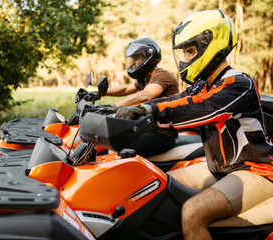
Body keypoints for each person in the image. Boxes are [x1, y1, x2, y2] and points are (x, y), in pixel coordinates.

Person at [115, 9, 273, 240]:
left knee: (192, 212)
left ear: (211, 44)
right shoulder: (203, 84)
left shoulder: (239, 82)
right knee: (157, 187)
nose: (186, 58)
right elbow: (176, 100)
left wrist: (151, 109)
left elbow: (202, 107)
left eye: (190, 51)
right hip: (220, 168)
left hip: (255, 170)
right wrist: (132, 110)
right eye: (185, 52)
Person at [106, 37, 179, 157]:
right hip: (147, 128)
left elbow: (146, 95)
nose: (133, 62)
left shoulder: (162, 75)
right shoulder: (146, 78)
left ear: (149, 56)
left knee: (115, 145)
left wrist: (114, 106)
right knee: (106, 141)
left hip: (162, 135)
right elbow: (125, 89)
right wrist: (100, 93)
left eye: (137, 58)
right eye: (132, 58)